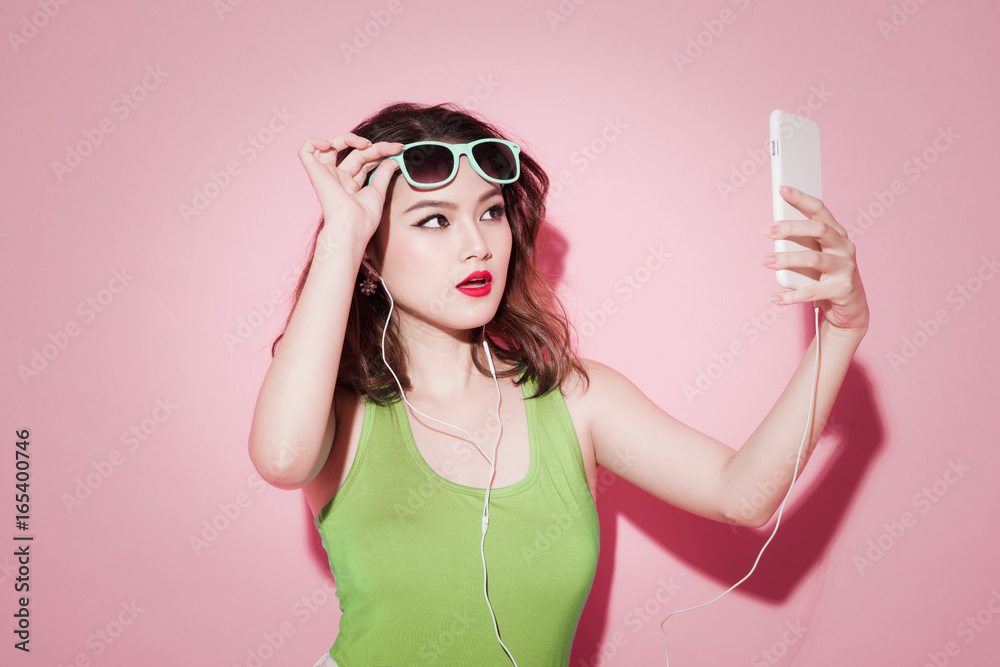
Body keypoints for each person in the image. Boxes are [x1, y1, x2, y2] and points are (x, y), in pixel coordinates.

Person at [247, 102, 869, 667]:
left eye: (490, 212)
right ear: (371, 257)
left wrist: (839, 333)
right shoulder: (341, 412)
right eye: (433, 220)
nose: (477, 246)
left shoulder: (575, 398)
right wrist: (343, 238)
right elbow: (280, 459)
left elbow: (742, 495)